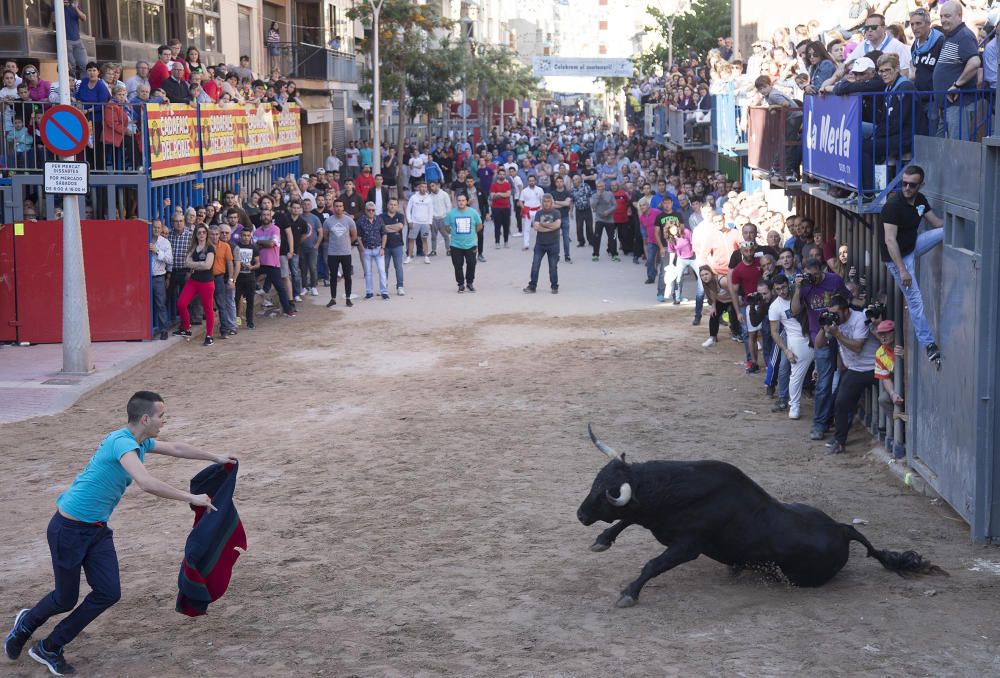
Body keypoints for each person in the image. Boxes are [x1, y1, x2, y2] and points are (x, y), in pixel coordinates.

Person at [2, 391, 234, 676]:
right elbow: (146, 483)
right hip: (69, 529)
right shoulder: (121, 443)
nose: (165, 420)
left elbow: (175, 448)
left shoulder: (140, 440)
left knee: (108, 592)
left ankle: (50, 646)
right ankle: (26, 624)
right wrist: (192, 497)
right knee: (65, 598)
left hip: (97, 530)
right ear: (146, 418)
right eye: (162, 415)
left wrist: (216, 457)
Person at [878, 165, 944, 364]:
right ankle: (929, 345)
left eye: (912, 185)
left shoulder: (920, 200)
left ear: (920, 185)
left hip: (913, 245)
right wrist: (902, 270)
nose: (906, 188)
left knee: (946, 232)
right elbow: (890, 241)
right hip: (897, 257)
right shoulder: (892, 206)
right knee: (915, 300)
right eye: (903, 183)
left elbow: (937, 223)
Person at [791, 258, 851, 440]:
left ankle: (834, 418)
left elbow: (847, 301)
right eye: (810, 275)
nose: (814, 279)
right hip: (820, 336)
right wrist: (798, 288)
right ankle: (819, 424)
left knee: (845, 377)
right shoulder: (804, 286)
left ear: (822, 270)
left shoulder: (834, 280)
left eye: (816, 275)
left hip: (841, 333)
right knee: (824, 382)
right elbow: (794, 310)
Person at [816, 294, 880, 455]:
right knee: (840, 403)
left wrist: (837, 334)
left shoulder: (860, 318)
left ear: (846, 311)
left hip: (874, 367)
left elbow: (857, 347)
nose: (834, 317)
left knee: (844, 402)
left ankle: (840, 440)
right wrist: (823, 328)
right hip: (854, 369)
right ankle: (839, 440)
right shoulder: (834, 323)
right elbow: (819, 345)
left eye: (836, 313)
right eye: (831, 313)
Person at [768, 273, 813, 420]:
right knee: (795, 375)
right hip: (796, 339)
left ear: (789, 284)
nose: (782, 291)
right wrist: (786, 350)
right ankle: (794, 405)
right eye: (778, 289)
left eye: (784, 287)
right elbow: (774, 332)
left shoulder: (800, 290)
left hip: (815, 332)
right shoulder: (775, 307)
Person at [172, 224, 217, 346]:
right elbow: (186, 262)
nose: (201, 234)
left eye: (203, 232)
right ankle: (186, 329)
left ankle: (209, 335)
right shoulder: (193, 247)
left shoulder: (210, 248)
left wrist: (194, 264)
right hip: (193, 281)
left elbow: (208, 265)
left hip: (206, 282)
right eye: (199, 233)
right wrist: (200, 264)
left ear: (206, 234)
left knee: (208, 309)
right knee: (181, 303)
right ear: (195, 235)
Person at [730, 240, 764, 373]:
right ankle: (753, 362)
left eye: (751, 250)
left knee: (766, 333)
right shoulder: (738, 269)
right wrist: (738, 312)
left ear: (754, 249)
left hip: (764, 302)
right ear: (741, 251)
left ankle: (768, 361)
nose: (749, 253)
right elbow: (734, 292)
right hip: (749, 304)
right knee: (751, 334)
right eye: (745, 250)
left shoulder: (760, 263)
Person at [318, 198, 357, 307]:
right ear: (333, 208)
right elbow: (325, 236)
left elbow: (354, 235)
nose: (338, 208)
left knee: (347, 276)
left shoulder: (349, 220)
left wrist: (347, 243)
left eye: (340, 206)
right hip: (332, 253)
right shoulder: (328, 221)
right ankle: (333, 298)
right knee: (333, 277)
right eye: (336, 206)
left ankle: (348, 298)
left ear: (343, 207)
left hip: (346, 252)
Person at [443, 193, 483, 293]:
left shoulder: (473, 212)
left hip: (471, 244)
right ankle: (460, 284)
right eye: (459, 200)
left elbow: (479, 225)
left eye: (463, 200)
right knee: (457, 265)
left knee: (471, 264)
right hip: (456, 245)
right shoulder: (451, 214)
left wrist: (472, 235)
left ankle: (469, 283)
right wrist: (453, 233)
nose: (461, 202)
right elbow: (447, 227)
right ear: (457, 202)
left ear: (466, 201)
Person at [523, 194, 562, 294]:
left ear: (552, 202)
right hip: (540, 244)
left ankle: (554, 286)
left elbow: (557, 225)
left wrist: (543, 224)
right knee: (535, 265)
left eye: (548, 201)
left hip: (553, 244)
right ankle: (532, 286)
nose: (546, 203)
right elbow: (536, 227)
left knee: (553, 266)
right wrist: (549, 226)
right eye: (545, 201)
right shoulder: (539, 213)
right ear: (542, 202)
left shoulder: (556, 212)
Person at [874, 319, 905, 429]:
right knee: (883, 399)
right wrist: (892, 394)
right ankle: (900, 429)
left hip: (916, 383)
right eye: (880, 334)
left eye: (886, 333)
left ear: (894, 332)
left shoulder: (905, 342)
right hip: (899, 383)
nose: (883, 336)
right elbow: (885, 378)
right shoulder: (880, 352)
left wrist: (906, 355)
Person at [355, 202, 389, 300]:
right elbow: (358, 236)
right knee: (368, 272)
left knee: (382, 271)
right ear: (365, 210)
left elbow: (384, 234)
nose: (371, 212)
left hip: (378, 248)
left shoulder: (379, 219)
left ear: (375, 211)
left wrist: (383, 248)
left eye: (373, 210)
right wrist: (361, 248)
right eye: (368, 210)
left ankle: (384, 292)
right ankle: (369, 292)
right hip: (366, 249)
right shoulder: (360, 221)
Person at [232, 226, 260, 329]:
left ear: (250, 236)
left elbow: (258, 263)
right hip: (238, 277)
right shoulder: (236, 247)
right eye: (244, 235)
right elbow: (232, 262)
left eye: (248, 235)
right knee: (236, 300)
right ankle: (236, 320)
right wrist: (239, 264)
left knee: (250, 300)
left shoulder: (254, 248)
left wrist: (252, 267)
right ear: (240, 236)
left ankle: (250, 322)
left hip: (250, 277)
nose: (246, 237)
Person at [149, 220, 172, 340]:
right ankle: (146, 329)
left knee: (160, 304)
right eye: (154, 227)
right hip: (145, 278)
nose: (156, 230)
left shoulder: (165, 242)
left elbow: (169, 259)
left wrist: (157, 251)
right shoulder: (144, 239)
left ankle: (163, 330)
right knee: (145, 303)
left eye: (158, 228)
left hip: (159, 277)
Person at [404, 180, 433, 264]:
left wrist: (430, 222)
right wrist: (409, 221)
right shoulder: (413, 197)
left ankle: (426, 257)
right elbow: (408, 210)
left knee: (424, 239)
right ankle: (409, 257)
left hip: (425, 223)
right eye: (422, 187)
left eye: (425, 187)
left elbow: (431, 211)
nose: (423, 189)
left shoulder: (429, 198)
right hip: (415, 222)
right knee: (411, 239)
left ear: (426, 188)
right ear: (419, 188)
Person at [382, 197, 406, 296]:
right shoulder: (381, 216)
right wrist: (394, 228)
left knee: (398, 267)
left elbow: (400, 227)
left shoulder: (400, 216)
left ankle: (400, 287)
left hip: (397, 245)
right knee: (384, 268)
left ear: (397, 206)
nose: (392, 206)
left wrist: (388, 227)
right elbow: (382, 229)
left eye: (394, 204)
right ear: (387, 205)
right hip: (385, 246)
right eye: (391, 204)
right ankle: (384, 287)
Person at [590, 182, 618, 261]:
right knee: (597, 237)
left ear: (604, 186)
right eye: (598, 186)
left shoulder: (610, 194)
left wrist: (608, 212)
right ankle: (595, 254)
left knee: (612, 237)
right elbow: (593, 206)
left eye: (601, 186)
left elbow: (615, 205)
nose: (600, 188)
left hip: (610, 219)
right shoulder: (594, 195)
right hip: (599, 219)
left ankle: (614, 254)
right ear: (596, 187)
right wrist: (598, 197)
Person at [62, 0, 89, 79]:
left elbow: (84, 18)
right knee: (71, 66)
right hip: (66, 41)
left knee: (84, 65)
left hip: (77, 40)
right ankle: (72, 85)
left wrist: (76, 7)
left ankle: (84, 83)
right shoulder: (58, 6)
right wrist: (61, 5)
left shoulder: (74, 7)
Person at [489, 167, 514, 248]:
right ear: (498, 175)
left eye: (503, 174)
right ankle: (497, 243)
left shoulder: (507, 184)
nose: (502, 176)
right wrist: (502, 194)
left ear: (505, 175)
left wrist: (498, 194)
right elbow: (492, 196)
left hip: (506, 207)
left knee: (506, 226)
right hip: (496, 208)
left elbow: (508, 194)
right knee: (497, 226)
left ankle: (506, 242)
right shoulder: (494, 185)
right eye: (500, 174)